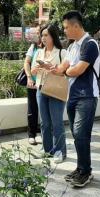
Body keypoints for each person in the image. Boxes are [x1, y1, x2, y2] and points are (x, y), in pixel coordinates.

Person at [52, 11, 100, 188]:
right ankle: (81, 168)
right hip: (72, 95)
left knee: (81, 134)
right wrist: (52, 68)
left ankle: (85, 172)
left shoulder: (90, 44)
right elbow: (63, 68)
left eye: (66, 27)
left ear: (75, 26)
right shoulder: (72, 47)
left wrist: (66, 70)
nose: (64, 31)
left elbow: (77, 70)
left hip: (87, 96)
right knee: (77, 134)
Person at [32, 24, 68, 164]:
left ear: (53, 36)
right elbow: (34, 72)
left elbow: (65, 72)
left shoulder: (61, 53)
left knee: (57, 123)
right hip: (41, 89)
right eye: (42, 35)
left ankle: (60, 151)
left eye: (46, 35)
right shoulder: (39, 52)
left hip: (55, 90)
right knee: (45, 123)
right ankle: (47, 150)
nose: (44, 38)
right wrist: (36, 69)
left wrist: (51, 68)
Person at [23, 26, 42, 145]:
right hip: (33, 82)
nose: (37, 34)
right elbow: (27, 62)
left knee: (45, 110)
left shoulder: (50, 47)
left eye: (38, 32)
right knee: (32, 109)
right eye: (38, 32)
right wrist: (29, 77)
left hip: (45, 83)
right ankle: (32, 134)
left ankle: (42, 133)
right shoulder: (33, 46)